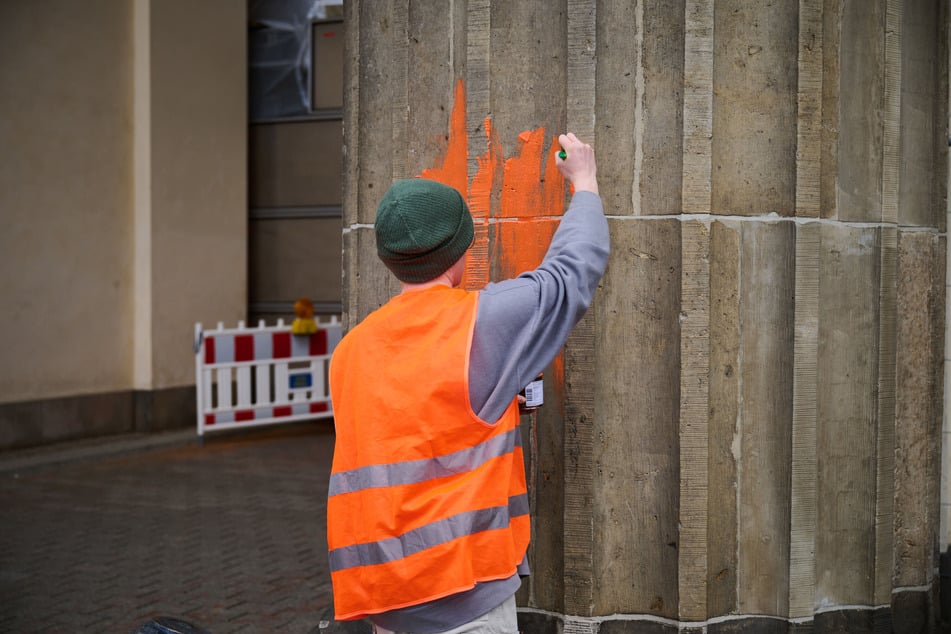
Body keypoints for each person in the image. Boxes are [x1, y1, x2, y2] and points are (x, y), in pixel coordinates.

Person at [327, 132, 609, 633]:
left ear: (390, 259)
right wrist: (584, 181)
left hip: (385, 599)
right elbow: (569, 276)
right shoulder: (481, 322)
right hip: (463, 597)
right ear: (460, 250)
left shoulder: (351, 350)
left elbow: (413, 432)